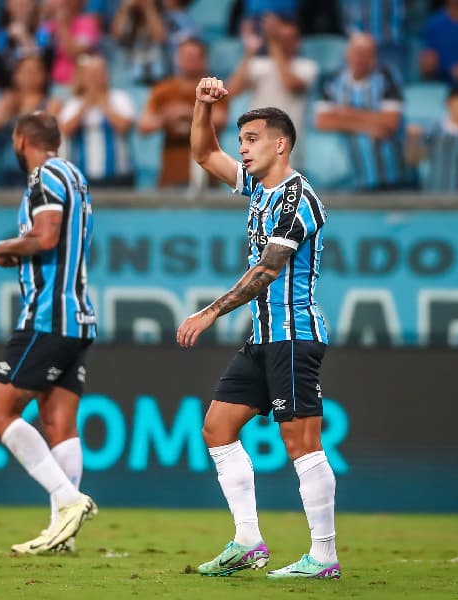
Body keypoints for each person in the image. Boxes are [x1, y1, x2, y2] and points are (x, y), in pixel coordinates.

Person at [179, 76, 339, 580]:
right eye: (241, 139)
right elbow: (204, 153)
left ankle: (324, 556)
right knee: (217, 426)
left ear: (280, 143)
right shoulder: (256, 188)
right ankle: (248, 540)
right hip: (263, 337)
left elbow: (267, 269)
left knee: (302, 444)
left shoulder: (299, 199)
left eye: (251, 139)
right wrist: (202, 105)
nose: (241, 148)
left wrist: (210, 311)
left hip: (294, 336)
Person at [0, 111, 98, 555]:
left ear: (20, 139)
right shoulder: (74, 175)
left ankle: (68, 501)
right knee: (58, 423)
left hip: (49, 316)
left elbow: (47, 238)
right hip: (78, 317)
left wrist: (7, 246)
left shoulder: (44, 175)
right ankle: (61, 536)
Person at [314, 33, 407, 190]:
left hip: (388, 171)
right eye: (357, 52)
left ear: (374, 57)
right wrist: (369, 126)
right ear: (347, 54)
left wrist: (345, 113)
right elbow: (323, 121)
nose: (361, 58)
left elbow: (391, 122)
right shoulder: (333, 80)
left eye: (367, 54)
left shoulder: (387, 78)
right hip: (351, 169)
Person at [226, 15, 317, 165]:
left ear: (297, 42)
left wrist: (273, 44)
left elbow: (290, 84)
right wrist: (249, 52)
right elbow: (233, 90)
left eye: (288, 38)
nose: (284, 42)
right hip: (257, 139)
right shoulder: (260, 65)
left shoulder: (307, 67)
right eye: (281, 38)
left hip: (288, 140)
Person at [138, 38, 227, 188]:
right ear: (177, 58)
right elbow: (144, 125)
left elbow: (220, 120)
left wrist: (188, 113)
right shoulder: (163, 90)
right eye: (185, 56)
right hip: (172, 175)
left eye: (193, 57)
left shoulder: (214, 87)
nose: (188, 61)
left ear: (203, 60)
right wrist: (166, 117)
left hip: (207, 175)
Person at [59, 54, 135, 186]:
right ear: (83, 78)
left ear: (106, 75)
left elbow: (124, 126)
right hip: (82, 177)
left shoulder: (120, 98)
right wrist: (85, 105)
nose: (94, 78)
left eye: (98, 73)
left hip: (118, 175)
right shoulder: (74, 103)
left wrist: (103, 104)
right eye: (90, 74)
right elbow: (65, 130)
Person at [0, 54, 62, 187]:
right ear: (16, 76)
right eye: (26, 71)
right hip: (7, 167)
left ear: (44, 76)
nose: (31, 76)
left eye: (35, 71)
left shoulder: (52, 103)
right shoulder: (8, 101)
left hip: (40, 170)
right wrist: (8, 108)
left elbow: (49, 131)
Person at [405, 81, 458, 192]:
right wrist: (413, 140)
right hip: (436, 197)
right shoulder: (433, 130)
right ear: (449, 102)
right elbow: (413, 159)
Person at [0, 0, 54, 91]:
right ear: (8, 6)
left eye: (26, 4)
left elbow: (43, 64)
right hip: (7, 89)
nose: (21, 8)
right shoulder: (1, 35)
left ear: (33, 6)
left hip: (38, 90)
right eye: (17, 4)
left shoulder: (43, 32)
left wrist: (24, 38)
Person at [38, 0, 101, 87]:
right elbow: (38, 53)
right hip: (52, 83)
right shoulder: (48, 26)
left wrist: (63, 26)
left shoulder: (88, 23)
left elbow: (75, 53)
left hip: (76, 84)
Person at [340, 0, 406, 80]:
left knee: (393, 80)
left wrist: (376, 45)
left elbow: (397, 23)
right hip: (361, 46)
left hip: (389, 47)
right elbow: (350, 23)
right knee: (352, 80)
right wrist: (363, 43)